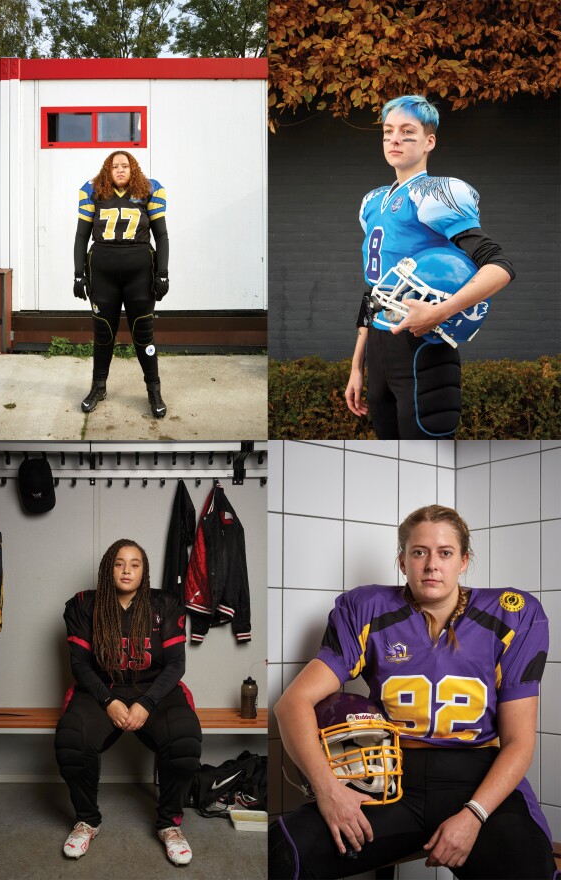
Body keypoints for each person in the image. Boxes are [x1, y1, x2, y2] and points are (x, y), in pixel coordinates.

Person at [269, 505, 557, 879]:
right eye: (419, 552)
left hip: (478, 777)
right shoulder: (366, 609)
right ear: (403, 562)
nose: (431, 565)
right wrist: (329, 791)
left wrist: (474, 816)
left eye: (445, 553)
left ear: (464, 561)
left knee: (530, 869)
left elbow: (518, 742)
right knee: (283, 852)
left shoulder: (512, 614)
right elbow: (291, 703)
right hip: (391, 778)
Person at [344, 95, 515, 439]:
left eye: (408, 132)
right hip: (379, 345)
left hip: (423, 342)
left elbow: (500, 265)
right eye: (388, 131)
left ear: (429, 141)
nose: (395, 139)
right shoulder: (373, 201)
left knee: (426, 448)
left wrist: (441, 312)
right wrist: (356, 366)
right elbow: (375, 292)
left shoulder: (435, 194)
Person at [54, 539, 202, 865]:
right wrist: (108, 700)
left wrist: (147, 702)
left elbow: (176, 664)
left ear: (144, 572)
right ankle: (86, 820)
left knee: (184, 738)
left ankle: (169, 825)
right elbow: (79, 665)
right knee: (71, 739)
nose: (126, 570)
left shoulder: (165, 603)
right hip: (101, 689)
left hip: (155, 691)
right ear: (109, 568)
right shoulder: (83, 605)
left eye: (135, 564)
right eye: (119, 563)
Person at [73, 151, 170, 418]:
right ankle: (98, 387)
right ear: (108, 169)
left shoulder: (150, 190)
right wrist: (78, 273)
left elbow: (161, 235)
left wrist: (162, 273)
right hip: (102, 275)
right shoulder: (93, 191)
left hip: (139, 275)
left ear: (133, 168)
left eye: (125, 166)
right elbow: (81, 235)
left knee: (143, 332)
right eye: (114, 166)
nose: (119, 170)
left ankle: (153, 389)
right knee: (103, 333)